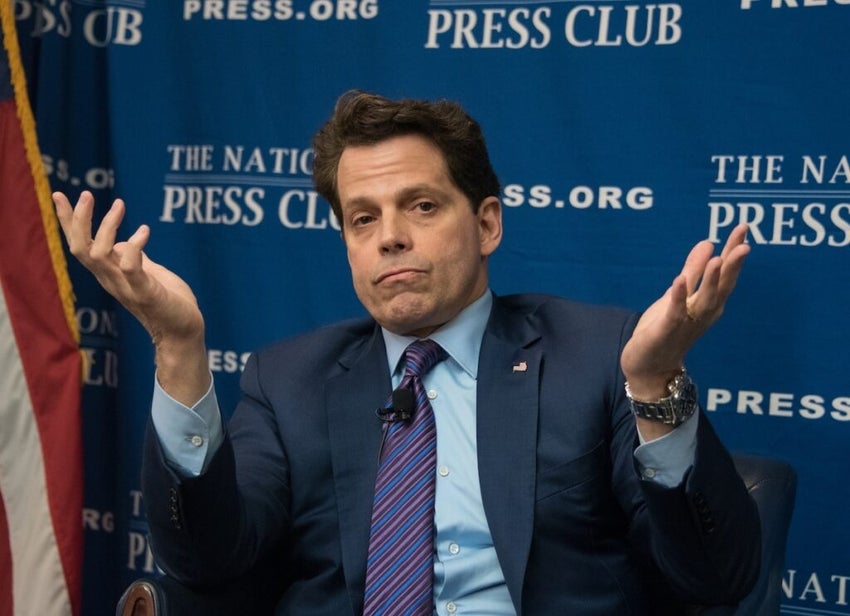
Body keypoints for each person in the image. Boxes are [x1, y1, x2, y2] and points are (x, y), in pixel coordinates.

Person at [54, 91, 760, 615]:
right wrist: (179, 349)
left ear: (486, 224)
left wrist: (655, 382)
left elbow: (715, 578)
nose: (390, 236)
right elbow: (207, 563)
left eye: (422, 206)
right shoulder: (289, 381)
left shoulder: (598, 354)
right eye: (364, 218)